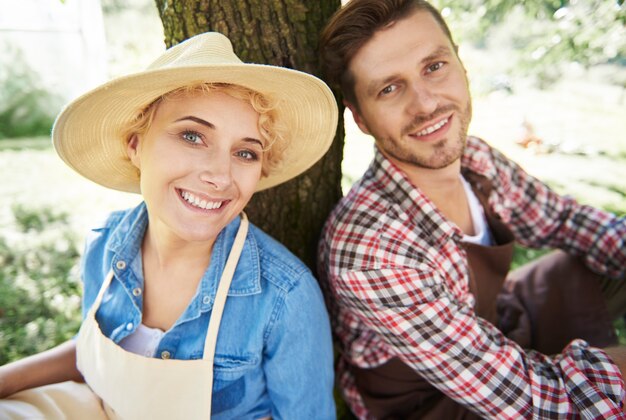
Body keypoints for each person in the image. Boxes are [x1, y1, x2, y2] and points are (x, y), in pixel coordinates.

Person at [0, 32, 338, 419]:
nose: (219, 175)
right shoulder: (106, 243)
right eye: (192, 136)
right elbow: (90, 350)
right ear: (135, 145)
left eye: (245, 152)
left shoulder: (283, 297)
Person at [317, 0, 626, 418]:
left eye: (434, 67)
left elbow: (567, 221)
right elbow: (535, 403)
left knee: (602, 257)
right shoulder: (369, 250)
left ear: (460, 65)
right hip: (436, 403)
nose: (425, 104)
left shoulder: (476, 160)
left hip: (496, 328)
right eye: (389, 89)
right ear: (361, 120)